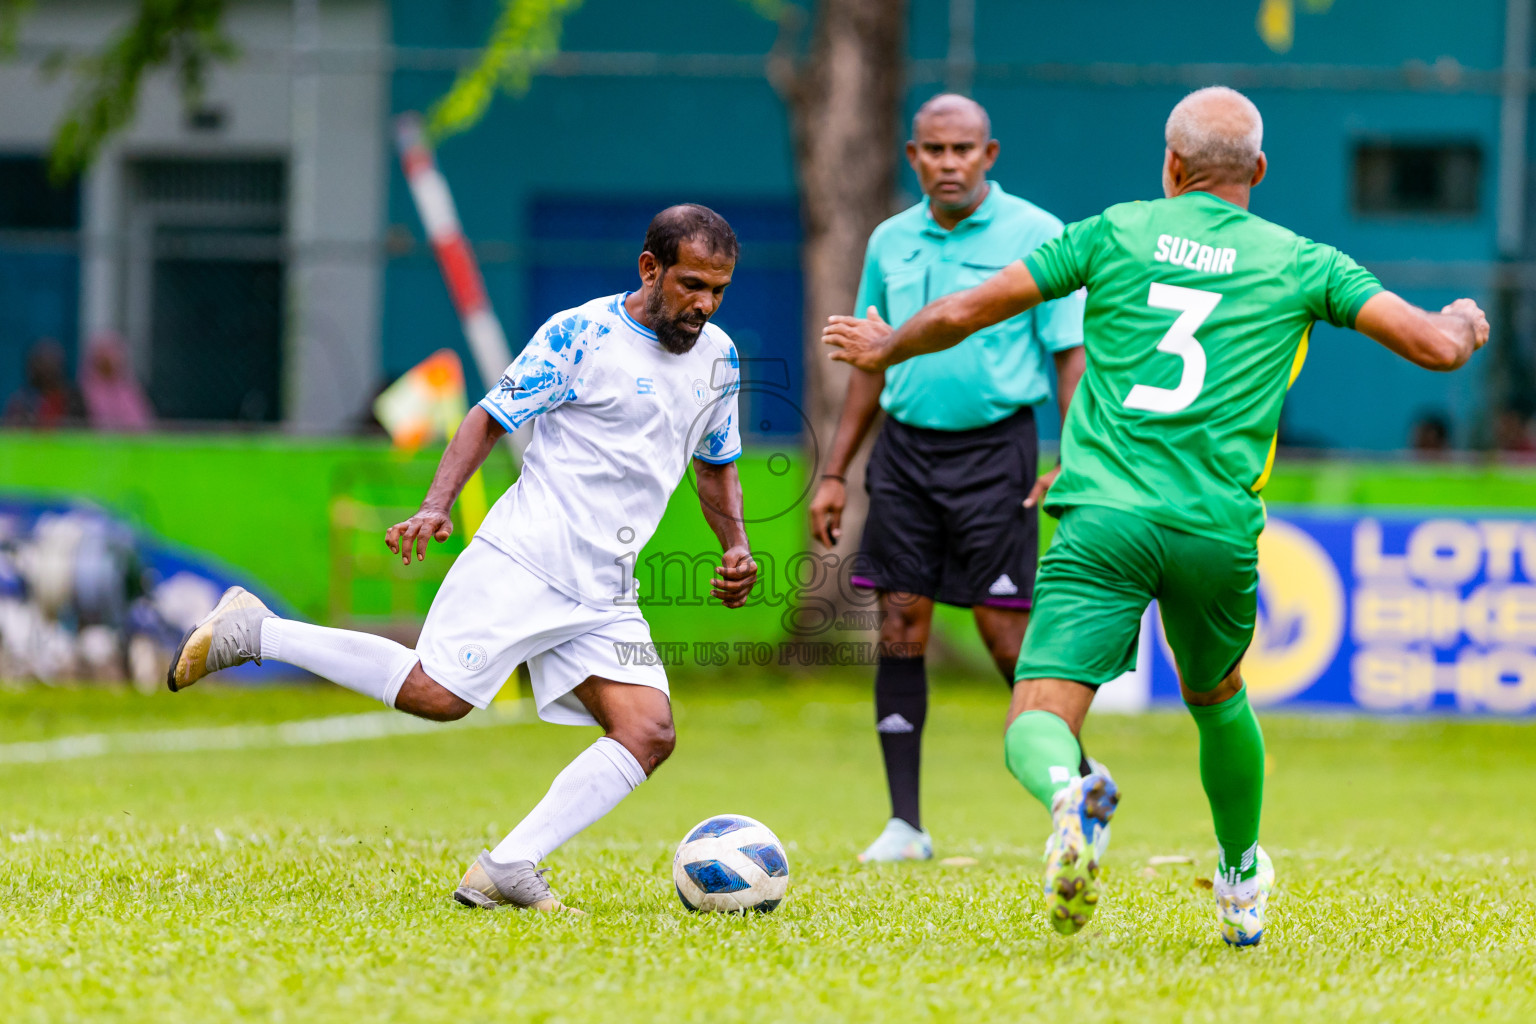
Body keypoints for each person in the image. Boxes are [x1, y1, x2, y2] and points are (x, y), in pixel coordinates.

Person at [824, 87, 1488, 945]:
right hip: (1214, 527)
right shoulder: (1302, 261)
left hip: (1104, 516)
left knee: (1038, 717)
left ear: (1170, 166)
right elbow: (1435, 347)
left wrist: (886, 345)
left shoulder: (1114, 232)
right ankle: (1242, 876)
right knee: (1218, 698)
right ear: (1257, 170)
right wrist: (1465, 322)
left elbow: (962, 311)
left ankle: (1071, 793)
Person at [167, 205, 758, 914]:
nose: (704, 304)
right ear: (649, 268)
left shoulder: (718, 356)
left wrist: (737, 547)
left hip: (606, 588)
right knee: (437, 698)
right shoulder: (582, 336)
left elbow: (716, 464)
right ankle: (254, 632)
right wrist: (436, 503)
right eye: (693, 284)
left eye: (718, 290)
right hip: (527, 560)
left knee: (647, 731)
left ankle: (509, 864)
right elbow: (489, 415)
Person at [807, 94, 1088, 864]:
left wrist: (1073, 450)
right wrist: (835, 472)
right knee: (900, 627)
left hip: (998, 453)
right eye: (934, 150)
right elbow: (873, 358)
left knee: (1005, 634)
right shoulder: (890, 240)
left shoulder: (1037, 235)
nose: (949, 163)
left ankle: (1078, 785)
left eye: (964, 149)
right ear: (913, 156)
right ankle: (906, 825)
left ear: (989, 154)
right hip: (903, 456)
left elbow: (1070, 351)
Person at [80, 331, 154, 432]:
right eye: (103, 360)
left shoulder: (129, 393)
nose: (110, 364)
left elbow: (142, 426)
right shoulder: (82, 396)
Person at [5, 338, 86, 428]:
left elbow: (86, 431)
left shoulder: (73, 399)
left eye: (52, 360)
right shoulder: (22, 401)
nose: (48, 367)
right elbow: (11, 433)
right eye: (42, 361)